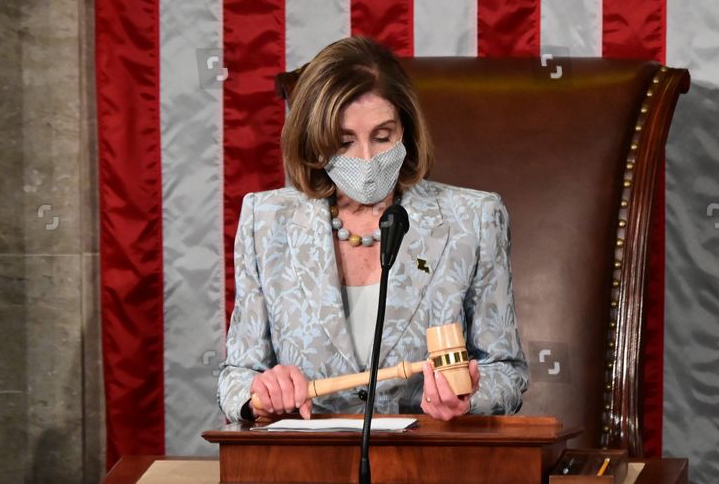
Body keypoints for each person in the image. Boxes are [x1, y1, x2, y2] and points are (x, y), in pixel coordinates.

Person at [217, 36, 530, 423]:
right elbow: (237, 375)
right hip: (307, 466)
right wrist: (258, 396)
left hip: (427, 466)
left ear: (407, 130)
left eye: (382, 136)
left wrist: (468, 397)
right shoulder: (265, 221)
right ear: (315, 144)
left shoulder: (475, 218)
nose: (366, 159)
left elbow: (507, 371)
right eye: (345, 142)